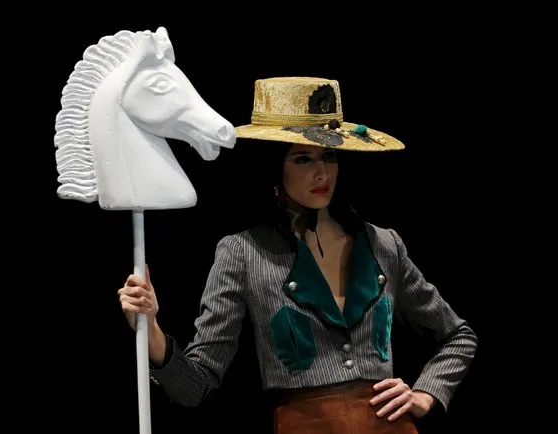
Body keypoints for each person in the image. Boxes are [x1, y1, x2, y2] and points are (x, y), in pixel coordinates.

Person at [118, 77, 478, 433]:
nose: (321, 172)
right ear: (274, 167)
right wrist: (151, 328)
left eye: (329, 156)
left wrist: (426, 393)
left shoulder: (383, 244)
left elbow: (459, 335)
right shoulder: (243, 253)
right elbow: (194, 386)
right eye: (303, 158)